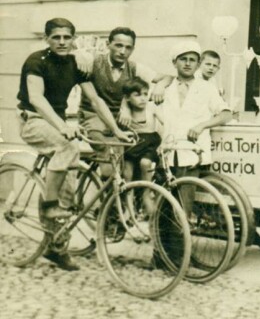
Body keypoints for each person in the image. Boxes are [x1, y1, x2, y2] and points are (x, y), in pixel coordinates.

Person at [17, 18, 130, 271]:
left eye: (67, 37)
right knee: (68, 149)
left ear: (73, 39)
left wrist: (115, 131)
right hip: (33, 120)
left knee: (71, 176)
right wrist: (62, 127)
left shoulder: (75, 63)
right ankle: (48, 206)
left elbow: (96, 100)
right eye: (56, 37)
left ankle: (56, 247)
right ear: (47, 39)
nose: (62, 42)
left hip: (56, 122)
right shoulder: (36, 61)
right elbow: (36, 99)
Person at [78, 27, 172, 176]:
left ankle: (132, 192)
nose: (123, 51)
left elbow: (166, 77)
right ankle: (110, 195)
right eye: (118, 45)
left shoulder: (134, 68)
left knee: (136, 155)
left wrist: (160, 86)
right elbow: (71, 54)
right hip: (93, 117)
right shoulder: (94, 61)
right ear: (108, 44)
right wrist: (78, 56)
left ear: (132, 49)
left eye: (128, 47)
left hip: (121, 120)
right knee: (111, 159)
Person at [162, 41, 232, 208]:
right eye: (183, 59)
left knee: (184, 203)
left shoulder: (207, 88)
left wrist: (202, 125)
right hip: (167, 152)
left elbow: (226, 114)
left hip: (192, 152)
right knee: (165, 203)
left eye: (192, 60)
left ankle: (183, 233)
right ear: (174, 62)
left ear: (198, 64)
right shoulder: (166, 87)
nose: (187, 63)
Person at [121, 76, 163, 215]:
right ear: (127, 98)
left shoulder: (151, 108)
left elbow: (166, 122)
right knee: (127, 173)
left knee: (145, 163)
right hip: (133, 142)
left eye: (145, 94)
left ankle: (147, 192)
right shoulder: (125, 112)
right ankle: (129, 208)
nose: (143, 98)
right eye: (137, 95)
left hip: (150, 142)